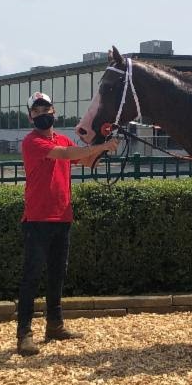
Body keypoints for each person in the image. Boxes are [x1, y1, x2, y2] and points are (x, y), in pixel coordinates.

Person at [16, 92, 117, 357]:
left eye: (45, 109)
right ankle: (24, 333)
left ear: (54, 111)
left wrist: (104, 142)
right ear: (30, 117)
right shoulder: (32, 142)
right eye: (36, 112)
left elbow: (83, 160)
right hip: (37, 218)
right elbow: (66, 153)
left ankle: (54, 325)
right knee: (32, 277)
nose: (42, 115)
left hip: (62, 217)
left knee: (57, 275)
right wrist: (100, 147)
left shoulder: (60, 138)